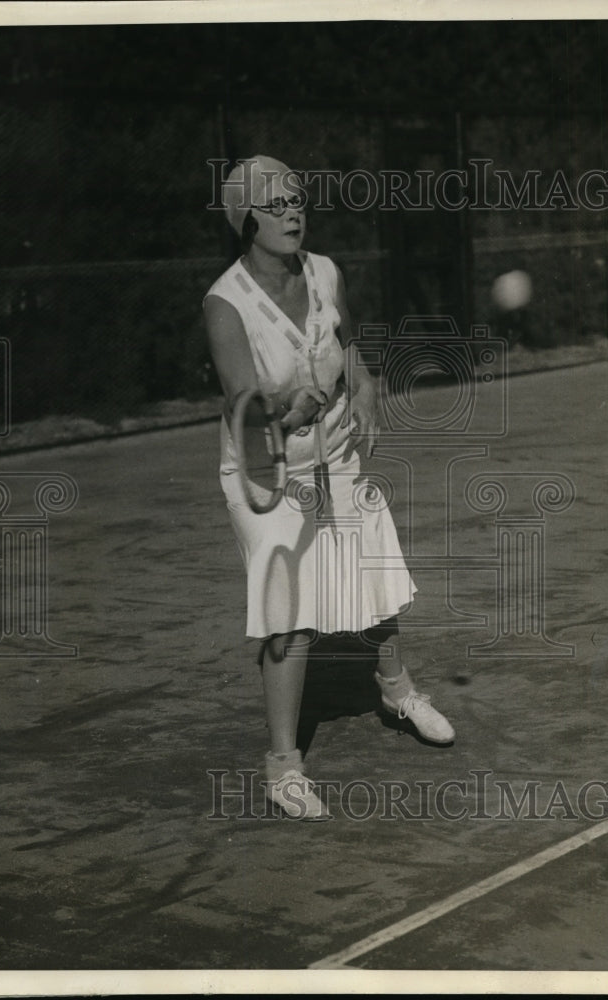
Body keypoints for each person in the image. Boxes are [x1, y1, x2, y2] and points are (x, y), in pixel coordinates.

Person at [203, 155, 454, 821]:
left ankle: (396, 690)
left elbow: (344, 340)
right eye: (275, 203)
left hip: (334, 453)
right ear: (244, 219)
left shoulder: (323, 271)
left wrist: (365, 383)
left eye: (297, 199)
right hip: (265, 475)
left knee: (368, 567)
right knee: (289, 606)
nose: (292, 212)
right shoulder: (224, 303)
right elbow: (242, 404)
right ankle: (283, 766)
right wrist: (291, 407)